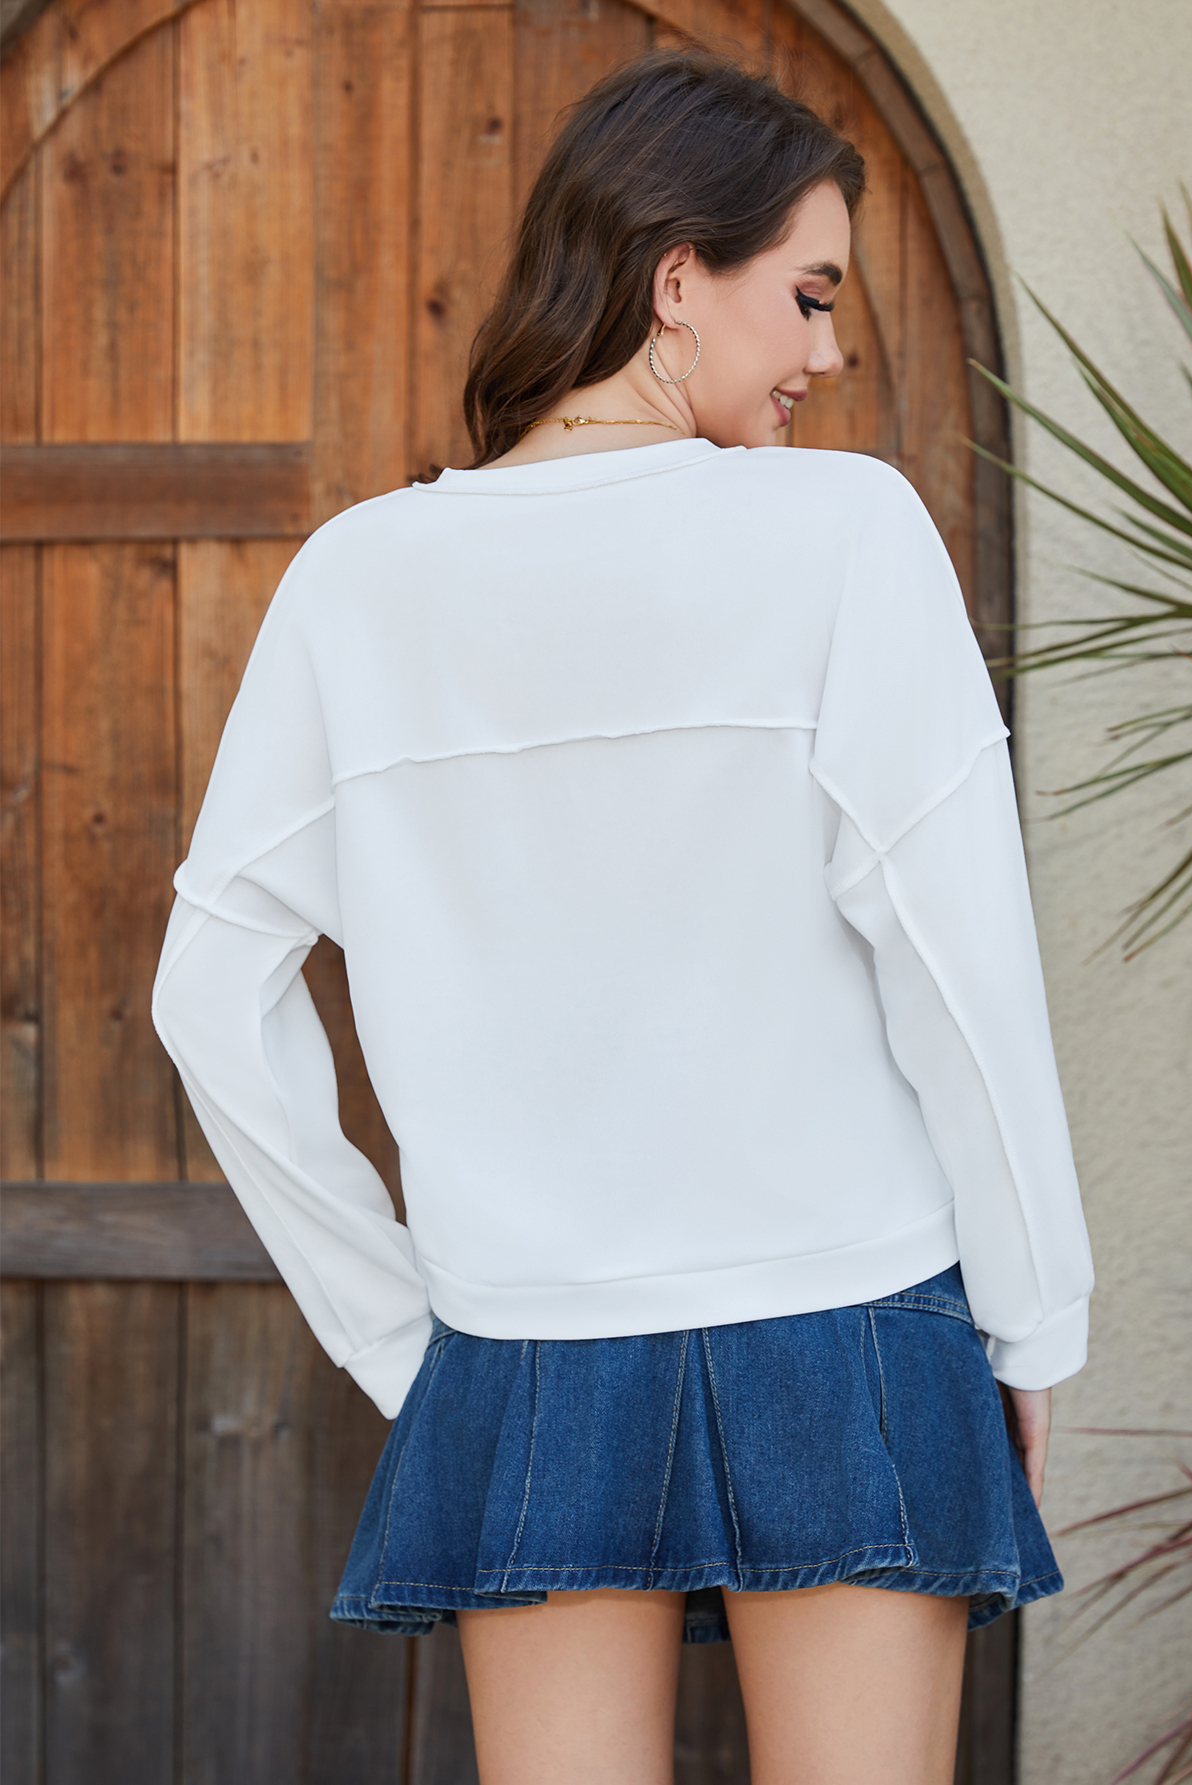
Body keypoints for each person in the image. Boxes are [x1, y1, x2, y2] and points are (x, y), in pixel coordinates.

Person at [152, 48, 1092, 1785]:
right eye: (808, 295)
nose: (827, 353)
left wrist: (407, 1332)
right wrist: (1036, 1316)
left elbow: (209, 991)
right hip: (853, 1315)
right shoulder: (846, 533)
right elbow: (957, 962)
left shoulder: (360, 579)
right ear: (675, 279)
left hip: (527, 1344)